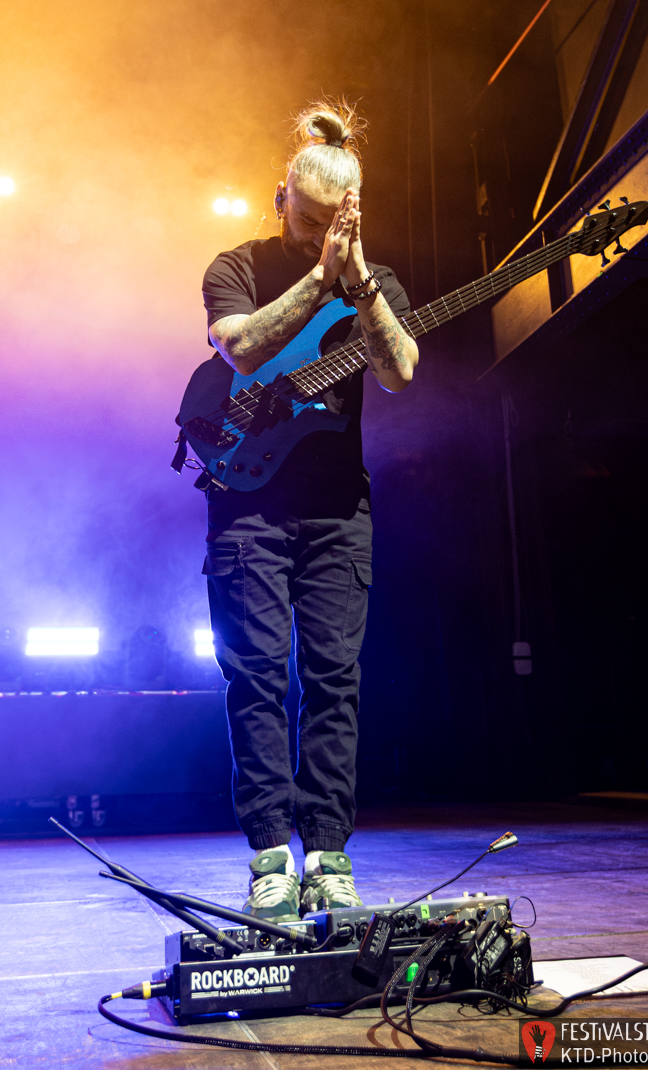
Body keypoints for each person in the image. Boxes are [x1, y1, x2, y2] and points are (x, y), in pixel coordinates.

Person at [201, 100, 418, 922]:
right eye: (307, 219)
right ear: (281, 198)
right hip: (247, 504)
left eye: (334, 224)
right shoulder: (237, 264)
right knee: (255, 675)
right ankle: (269, 857)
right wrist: (317, 279)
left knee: (334, 680)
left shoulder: (375, 280)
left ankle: (327, 854)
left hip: (336, 510)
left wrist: (358, 286)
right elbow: (241, 346)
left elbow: (399, 371)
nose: (318, 234)